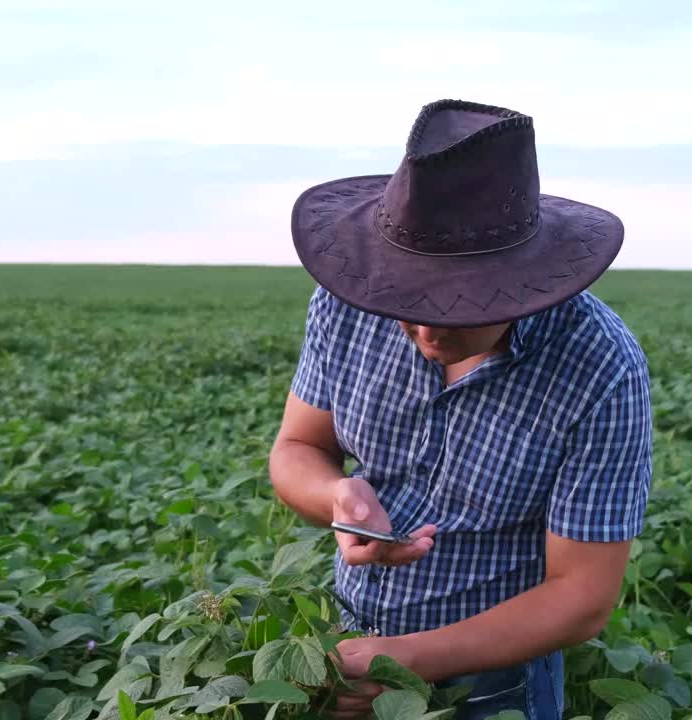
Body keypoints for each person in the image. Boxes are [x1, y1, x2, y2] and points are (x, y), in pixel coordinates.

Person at [269, 99, 653, 719]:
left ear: (527, 278)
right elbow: (298, 448)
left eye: (457, 305)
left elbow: (582, 594)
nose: (426, 330)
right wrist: (336, 500)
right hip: (343, 647)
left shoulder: (598, 366)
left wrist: (398, 664)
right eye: (406, 296)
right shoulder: (346, 303)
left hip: (491, 686)